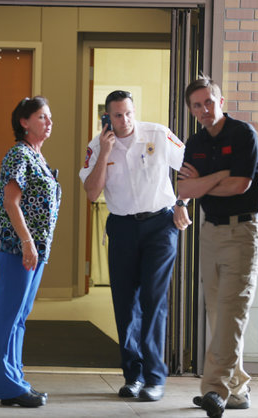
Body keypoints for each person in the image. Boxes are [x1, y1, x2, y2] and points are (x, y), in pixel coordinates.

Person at [78, 90, 190, 402]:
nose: (124, 120)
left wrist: (182, 202)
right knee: (126, 303)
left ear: (134, 111)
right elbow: (90, 192)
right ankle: (133, 376)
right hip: (123, 227)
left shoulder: (156, 133)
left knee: (154, 301)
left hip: (160, 226)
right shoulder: (97, 145)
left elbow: (190, 167)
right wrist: (104, 153)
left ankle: (155, 378)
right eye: (117, 115)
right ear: (107, 117)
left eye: (128, 113)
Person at [177, 75, 258, 418]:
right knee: (219, 313)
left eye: (209, 102)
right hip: (210, 233)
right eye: (196, 106)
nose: (204, 110)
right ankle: (239, 390)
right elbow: (186, 191)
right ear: (191, 109)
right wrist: (215, 177)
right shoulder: (194, 142)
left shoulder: (244, 135)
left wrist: (202, 183)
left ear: (221, 101)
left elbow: (240, 185)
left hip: (243, 232)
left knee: (230, 312)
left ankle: (214, 389)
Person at [0, 96, 61, 408]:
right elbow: (11, 201)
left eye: (49, 117)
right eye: (42, 117)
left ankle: (16, 381)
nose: (48, 122)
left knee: (20, 317)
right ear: (24, 122)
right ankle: (8, 385)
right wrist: (27, 242)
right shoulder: (18, 154)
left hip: (34, 250)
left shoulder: (38, 156)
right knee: (9, 317)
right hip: (16, 248)